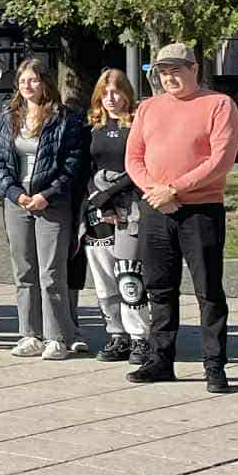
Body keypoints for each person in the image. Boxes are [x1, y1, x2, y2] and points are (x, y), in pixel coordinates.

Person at [126, 43, 238, 391]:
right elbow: (134, 158)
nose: (169, 78)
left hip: (200, 210)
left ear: (194, 68)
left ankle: (214, 365)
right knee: (159, 288)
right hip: (156, 208)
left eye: (176, 70)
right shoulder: (148, 108)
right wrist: (156, 192)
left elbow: (221, 159)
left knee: (208, 290)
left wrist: (174, 189)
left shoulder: (219, 104)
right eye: (163, 72)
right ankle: (160, 359)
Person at [0, 56, 89, 359]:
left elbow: (73, 163)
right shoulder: (7, 117)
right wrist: (14, 192)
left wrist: (48, 194)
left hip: (52, 203)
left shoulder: (65, 118)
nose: (27, 85)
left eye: (33, 79)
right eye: (22, 81)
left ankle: (57, 337)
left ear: (45, 82)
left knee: (51, 272)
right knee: (24, 271)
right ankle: (29, 334)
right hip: (17, 203)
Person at [80, 68, 145, 364]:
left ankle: (139, 337)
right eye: (105, 93)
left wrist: (110, 195)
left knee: (129, 274)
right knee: (104, 276)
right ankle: (116, 334)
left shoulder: (138, 124)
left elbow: (139, 166)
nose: (110, 98)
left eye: (116, 92)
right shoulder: (93, 127)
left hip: (130, 209)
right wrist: (98, 199)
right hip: (98, 212)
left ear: (126, 94)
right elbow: (86, 167)